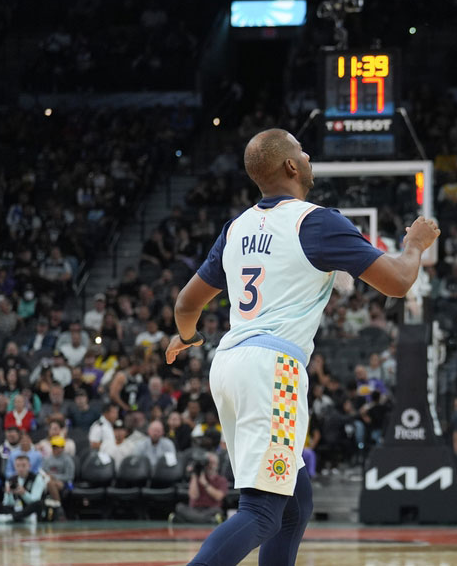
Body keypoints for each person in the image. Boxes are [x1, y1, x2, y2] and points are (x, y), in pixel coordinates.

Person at [163, 128, 440, 566]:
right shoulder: (314, 220)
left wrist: (187, 337)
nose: (309, 157)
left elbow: (185, 304)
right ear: (291, 166)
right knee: (261, 514)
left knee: (295, 504)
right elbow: (400, 282)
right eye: (303, 151)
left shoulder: (236, 229)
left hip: (229, 362)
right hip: (272, 370)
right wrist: (415, 244)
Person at [0, 454, 46, 524]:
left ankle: (10, 517)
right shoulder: (11, 480)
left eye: (23, 466)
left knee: (38, 504)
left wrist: (24, 493)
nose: (20, 469)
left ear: (29, 466)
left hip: (29, 507)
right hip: (17, 509)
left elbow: (35, 499)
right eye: (18, 466)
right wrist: (8, 494)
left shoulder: (37, 478)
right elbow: (7, 503)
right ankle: (21, 518)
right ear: (15, 467)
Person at [172, 453, 229, 524]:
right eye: (208, 463)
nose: (210, 466)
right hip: (195, 509)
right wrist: (195, 475)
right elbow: (193, 496)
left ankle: (188, 519)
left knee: (218, 511)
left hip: (211, 509)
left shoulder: (222, 480)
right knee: (179, 507)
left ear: (217, 465)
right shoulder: (196, 477)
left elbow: (218, 497)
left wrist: (205, 483)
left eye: (212, 463)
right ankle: (208, 520)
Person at [41, 436, 74, 520]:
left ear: (62, 448)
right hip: (47, 481)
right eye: (53, 447)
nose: (55, 449)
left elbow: (69, 476)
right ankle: (59, 507)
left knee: (51, 483)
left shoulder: (67, 460)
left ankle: (58, 508)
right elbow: (43, 472)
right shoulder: (47, 459)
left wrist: (55, 477)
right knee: (50, 483)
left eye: (57, 447)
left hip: (63, 483)